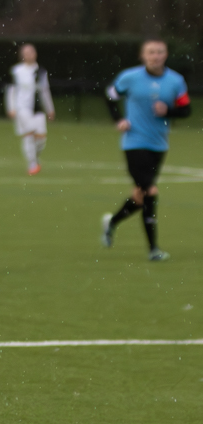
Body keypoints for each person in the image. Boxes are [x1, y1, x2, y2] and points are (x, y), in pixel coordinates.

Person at [101, 39, 191, 261]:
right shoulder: (129, 77)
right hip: (134, 142)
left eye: (159, 52)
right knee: (150, 191)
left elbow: (186, 110)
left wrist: (168, 110)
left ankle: (111, 222)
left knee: (140, 196)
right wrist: (118, 119)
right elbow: (110, 96)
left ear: (166, 54)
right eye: (151, 52)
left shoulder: (176, 81)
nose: (155, 56)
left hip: (159, 144)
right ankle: (153, 249)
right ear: (143, 56)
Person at [4, 43, 54, 176]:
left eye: (31, 52)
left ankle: (35, 159)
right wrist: (11, 107)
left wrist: (50, 109)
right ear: (22, 55)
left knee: (41, 139)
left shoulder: (41, 71)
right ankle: (32, 164)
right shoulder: (16, 71)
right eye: (26, 52)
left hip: (37, 110)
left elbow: (45, 91)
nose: (29, 55)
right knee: (29, 135)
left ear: (35, 54)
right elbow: (11, 90)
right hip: (22, 108)